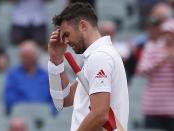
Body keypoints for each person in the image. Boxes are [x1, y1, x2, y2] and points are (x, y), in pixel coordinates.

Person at [48, 2, 129, 131]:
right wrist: (56, 60)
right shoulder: (98, 56)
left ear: (83, 26)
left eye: (67, 34)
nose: (65, 41)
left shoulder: (100, 57)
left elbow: (100, 114)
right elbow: (63, 100)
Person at [136, 19, 174, 131]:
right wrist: (161, 61)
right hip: (153, 107)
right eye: (166, 33)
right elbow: (141, 70)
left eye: (171, 33)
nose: (168, 36)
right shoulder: (151, 48)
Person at [4, 40, 57, 115]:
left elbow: (55, 100)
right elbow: (10, 100)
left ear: (35, 57)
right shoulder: (13, 75)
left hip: (43, 117)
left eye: (28, 57)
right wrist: (30, 107)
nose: (26, 60)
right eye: (23, 56)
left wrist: (47, 111)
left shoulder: (46, 75)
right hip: (20, 115)